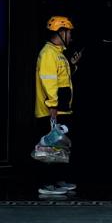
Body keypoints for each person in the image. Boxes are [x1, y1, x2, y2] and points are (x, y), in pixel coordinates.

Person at [34, 15, 80, 198]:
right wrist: (52, 105)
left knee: (60, 147)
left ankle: (58, 180)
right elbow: (49, 82)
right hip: (51, 110)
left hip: (62, 108)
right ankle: (47, 184)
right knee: (50, 148)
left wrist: (73, 65)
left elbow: (62, 78)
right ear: (61, 32)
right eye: (69, 32)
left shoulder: (58, 54)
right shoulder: (48, 54)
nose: (71, 36)